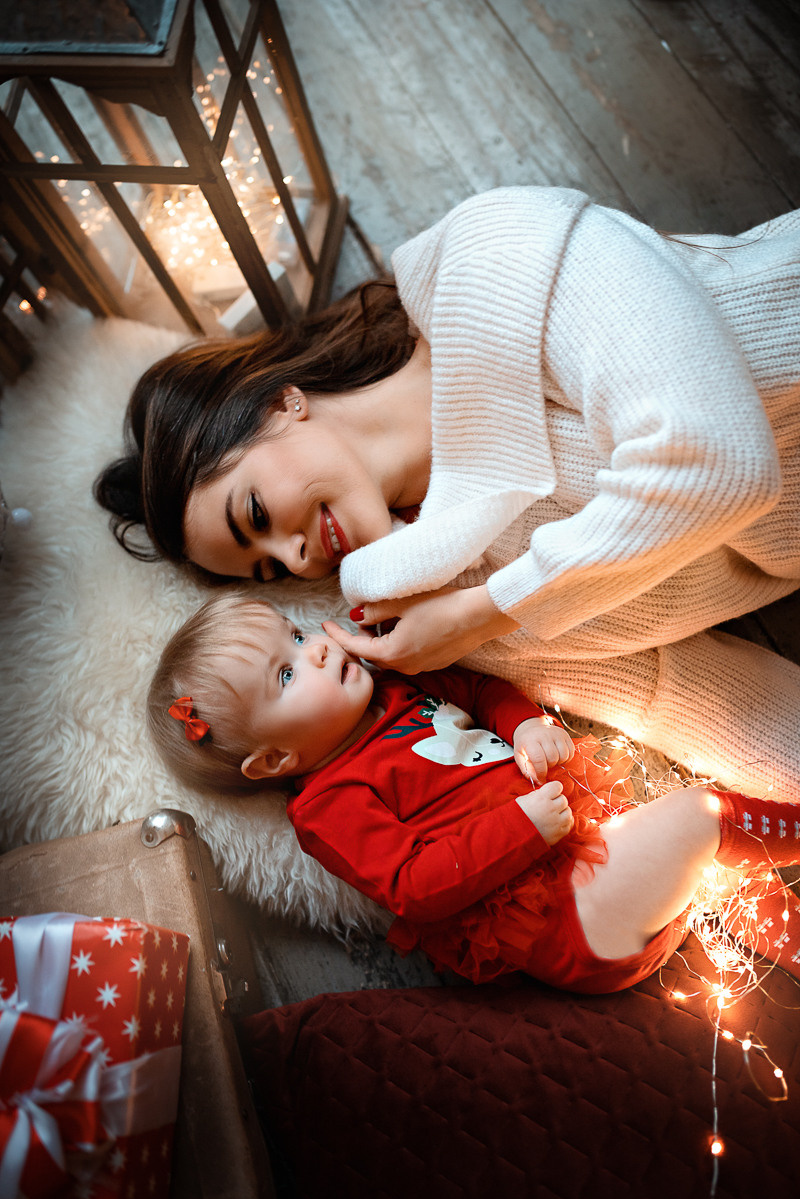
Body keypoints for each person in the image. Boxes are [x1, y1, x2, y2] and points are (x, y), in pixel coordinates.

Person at [96, 186, 800, 799]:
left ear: (280, 403)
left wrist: (487, 613)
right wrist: (474, 619)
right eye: (273, 569)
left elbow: (720, 466)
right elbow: (673, 693)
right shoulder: (434, 594)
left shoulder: (489, 262)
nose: (300, 555)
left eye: (256, 514)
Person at [147, 593, 800, 993]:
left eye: (295, 634)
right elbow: (413, 884)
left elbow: (484, 692)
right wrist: (522, 827)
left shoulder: (396, 686)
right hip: (569, 915)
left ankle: (779, 932)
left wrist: (524, 726)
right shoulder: (328, 805)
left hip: (603, 852)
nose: (314, 650)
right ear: (276, 758)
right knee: (702, 815)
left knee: (723, 883)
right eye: (286, 674)